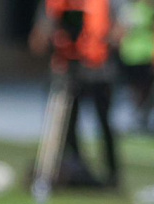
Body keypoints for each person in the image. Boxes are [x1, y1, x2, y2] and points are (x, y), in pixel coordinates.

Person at [30, 0, 121, 189]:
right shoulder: (55, 3)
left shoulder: (105, 3)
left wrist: (99, 39)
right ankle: (79, 170)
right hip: (66, 71)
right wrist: (55, 38)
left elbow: (119, 31)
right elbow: (39, 38)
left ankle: (112, 175)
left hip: (98, 70)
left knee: (104, 123)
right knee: (68, 125)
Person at [115, 0, 154, 131]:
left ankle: (141, 116)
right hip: (129, 56)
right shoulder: (128, 8)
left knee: (144, 89)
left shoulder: (148, 8)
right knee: (133, 89)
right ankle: (136, 117)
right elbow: (120, 31)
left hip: (145, 56)